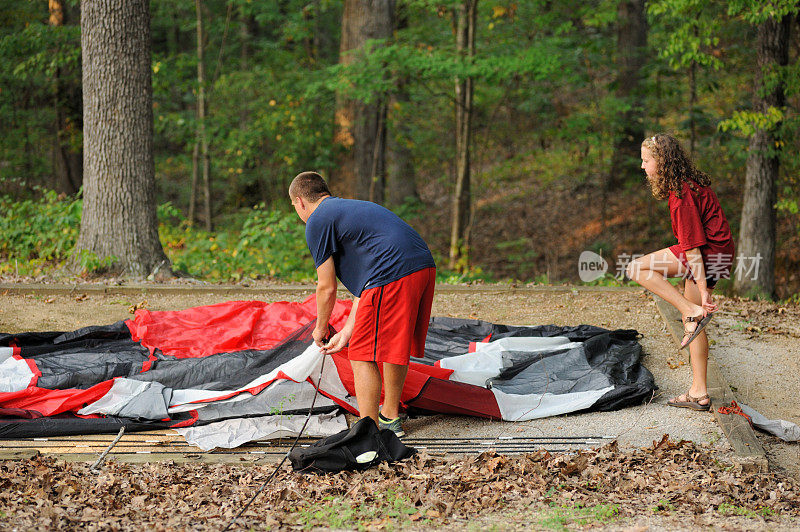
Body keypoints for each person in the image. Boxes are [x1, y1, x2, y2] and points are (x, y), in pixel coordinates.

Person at [289, 171, 436, 437]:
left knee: (362, 354)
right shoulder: (350, 212)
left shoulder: (317, 221)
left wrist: (320, 328)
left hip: (392, 272)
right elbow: (366, 288)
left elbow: (326, 286)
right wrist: (345, 331)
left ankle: (368, 432)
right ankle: (389, 416)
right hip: (422, 265)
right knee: (392, 345)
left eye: (294, 207)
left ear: (299, 201)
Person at [626, 133, 735, 411]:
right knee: (695, 326)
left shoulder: (681, 194)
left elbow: (693, 249)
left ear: (661, 163)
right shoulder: (685, 186)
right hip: (718, 252)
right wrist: (701, 293)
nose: (643, 166)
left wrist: (699, 291)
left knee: (636, 268)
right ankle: (699, 392)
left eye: (646, 160)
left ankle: (690, 311)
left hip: (710, 253)